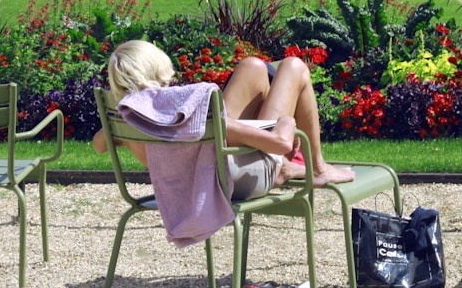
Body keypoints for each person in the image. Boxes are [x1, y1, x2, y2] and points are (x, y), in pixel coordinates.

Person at [93, 40, 355, 197]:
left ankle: (286, 169)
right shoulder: (179, 113)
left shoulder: (131, 118)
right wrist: (287, 125)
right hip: (230, 180)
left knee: (252, 66)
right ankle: (317, 168)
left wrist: (119, 121)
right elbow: (279, 143)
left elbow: (98, 145)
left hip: (207, 172)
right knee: (294, 67)